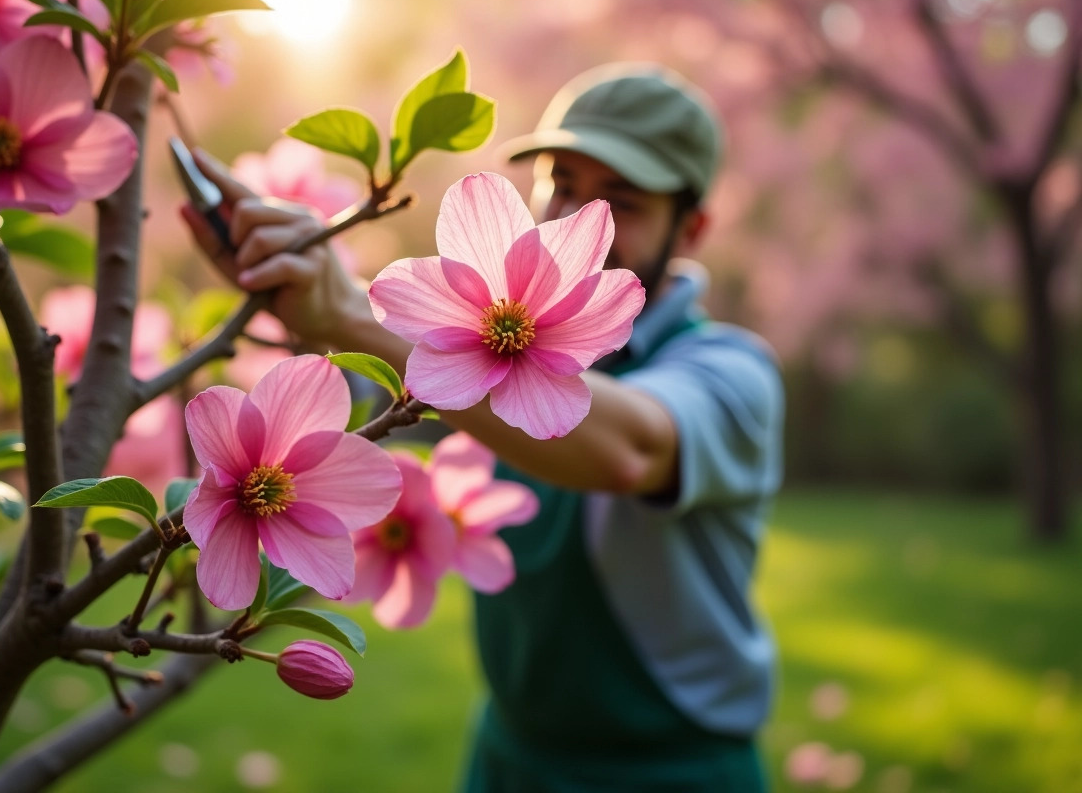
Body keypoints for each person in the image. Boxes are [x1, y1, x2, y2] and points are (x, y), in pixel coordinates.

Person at [184, 62, 785, 792]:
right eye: (561, 183)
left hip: (673, 768)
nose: (573, 219)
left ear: (690, 228)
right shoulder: (483, 357)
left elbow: (631, 448)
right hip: (512, 756)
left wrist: (348, 315)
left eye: (619, 201)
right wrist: (303, 301)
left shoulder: (732, 373)